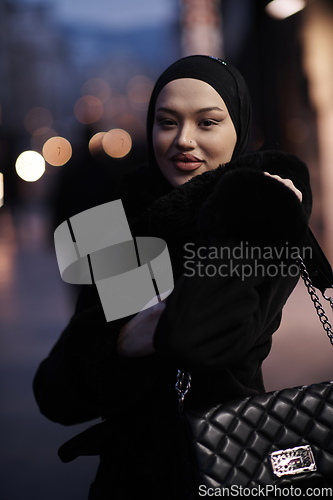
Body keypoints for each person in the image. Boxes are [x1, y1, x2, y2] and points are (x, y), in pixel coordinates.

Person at [34, 55, 316, 499]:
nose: (183, 140)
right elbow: (55, 390)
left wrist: (244, 205)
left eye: (207, 123)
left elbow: (193, 334)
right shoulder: (116, 216)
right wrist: (126, 341)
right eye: (167, 121)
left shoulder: (265, 209)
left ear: (237, 128)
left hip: (231, 466)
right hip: (128, 480)